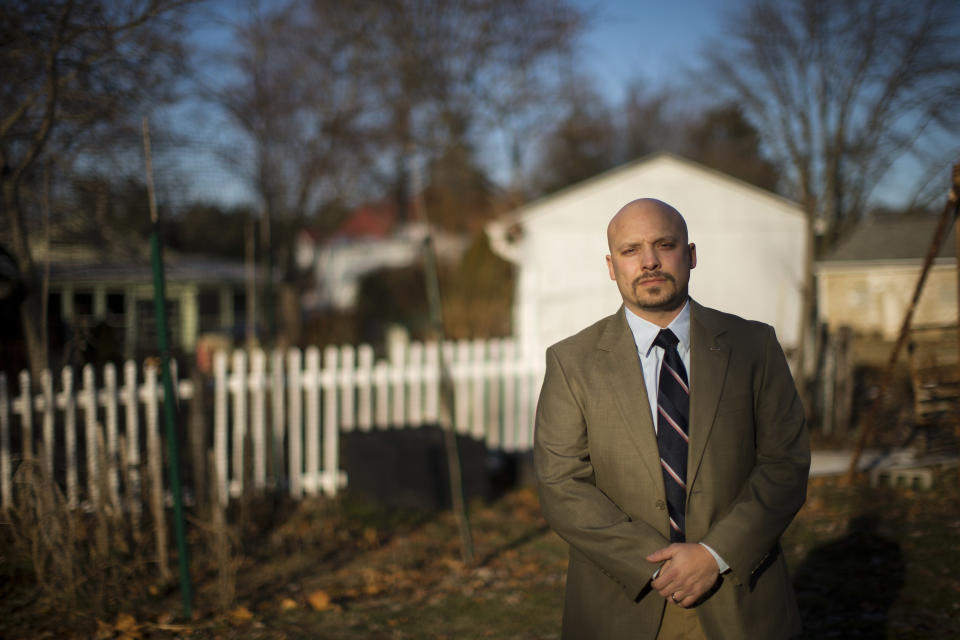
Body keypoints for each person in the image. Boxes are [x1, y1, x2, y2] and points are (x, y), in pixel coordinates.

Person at [534, 198, 810, 639]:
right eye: (631, 250)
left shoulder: (752, 346)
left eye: (665, 244)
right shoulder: (572, 362)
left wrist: (714, 555)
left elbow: (785, 463)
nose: (649, 261)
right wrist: (654, 564)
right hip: (622, 604)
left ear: (691, 254)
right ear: (611, 266)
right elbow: (561, 483)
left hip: (738, 600)